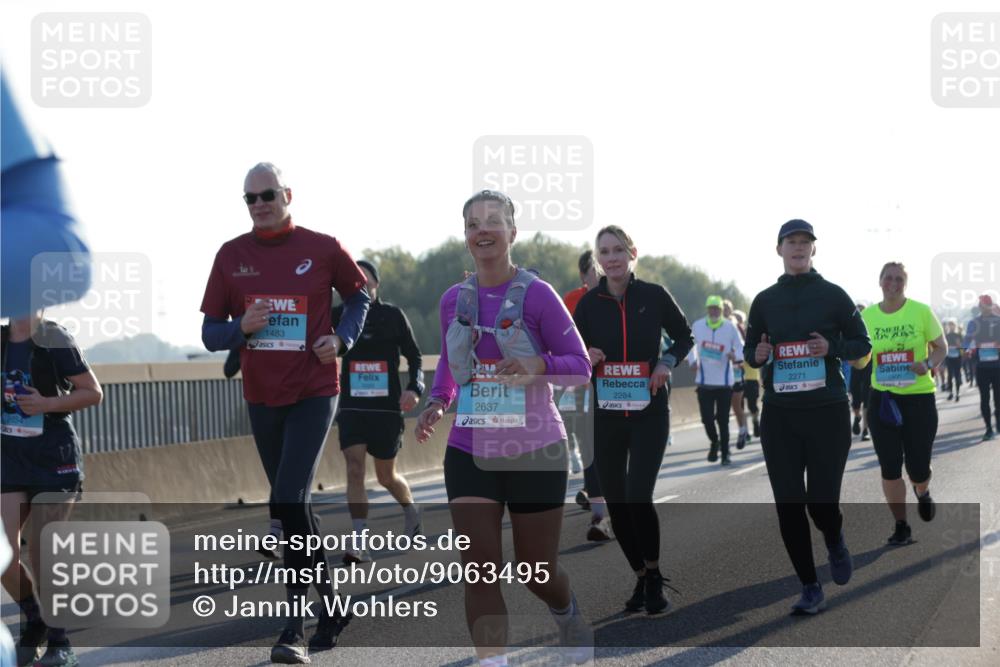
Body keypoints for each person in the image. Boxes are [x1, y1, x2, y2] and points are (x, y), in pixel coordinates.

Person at [414, 190, 594, 666]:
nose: (483, 230)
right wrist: (439, 400)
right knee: (479, 571)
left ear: (513, 232)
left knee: (535, 571)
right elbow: (452, 368)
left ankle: (565, 609)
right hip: (470, 449)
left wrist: (539, 363)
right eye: (473, 223)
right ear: (466, 236)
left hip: (535, 449)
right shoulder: (454, 300)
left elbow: (580, 367)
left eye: (494, 221)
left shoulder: (538, 295)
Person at [200, 162, 368, 662]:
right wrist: (241, 328)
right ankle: (334, 606)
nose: (259, 204)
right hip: (261, 396)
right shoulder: (231, 256)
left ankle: (292, 628)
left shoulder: (322, 247)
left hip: (315, 389)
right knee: (296, 507)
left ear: (287, 195)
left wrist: (341, 338)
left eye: (267, 194)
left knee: (286, 500)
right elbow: (210, 333)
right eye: (249, 198)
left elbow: (360, 297)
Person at [744, 219, 871, 615]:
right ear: (779, 249)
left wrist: (829, 346)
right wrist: (758, 356)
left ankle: (834, 539)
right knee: (788, 503)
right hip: (780, 415)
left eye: (805, 242)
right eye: (791, 242)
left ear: (814, 250)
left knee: (820, 503)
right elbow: (751, 351)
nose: (798, 248)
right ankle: (810, 586)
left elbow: (862, 346)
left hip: (827, 413)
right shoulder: (764, 300)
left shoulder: (833, 295)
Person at [572, 225, 694, 615]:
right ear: (598, 260)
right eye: (604, 252)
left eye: (618, 250)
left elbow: (684, 336)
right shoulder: (589, 305)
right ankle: (640, 575)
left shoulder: (654, 296)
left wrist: (665, 362)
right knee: (617, 504)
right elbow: (569, 354)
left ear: (632, 253)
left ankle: (655, 576)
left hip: (649, 412)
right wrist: (584, 359)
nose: (611, 258)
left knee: (638, 495)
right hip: (606, 416)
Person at [2, 314, 103, 667]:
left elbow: (93, 392)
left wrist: (46, 404)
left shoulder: (53, 336)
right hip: (9, 460)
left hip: (53, 459)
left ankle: (62, 644)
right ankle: (36, 620)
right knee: (4, 556)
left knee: (44, 552)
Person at [334, 259, 425, 563]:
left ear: (377, 284)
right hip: (353, 406)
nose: (362, 286)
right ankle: (359, 540)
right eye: (355, 282)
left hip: (386, 409)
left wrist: (415, 387)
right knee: (355, 468)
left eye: (367, 281)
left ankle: (410, 510)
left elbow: (414, 357)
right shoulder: (340, 316)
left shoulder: (392, 316)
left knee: (387, 476)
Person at [861, 262, 946, 546]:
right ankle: (901, 525)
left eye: (899, 278)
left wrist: (927, 363)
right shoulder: (868, 316)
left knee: (918, 467)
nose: (893, 283)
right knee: (890, 465)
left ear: (905, 283)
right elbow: (860, 356)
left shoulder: (921, 311)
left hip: (919, 399)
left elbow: (941, 347)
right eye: (888, 278)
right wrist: (853, 356)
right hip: (883, 398)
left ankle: (922, 490)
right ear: (880, 281)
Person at [561, 250, 610, 541]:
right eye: (595, 269)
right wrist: (582, 355)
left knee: (615, 452)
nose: (601, 273)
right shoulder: (571, 301)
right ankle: (599, 517)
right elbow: (558, 340)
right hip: (584, 387)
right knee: (590, 449)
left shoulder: (628, 297)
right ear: (584, 275)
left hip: (622, 388)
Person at [687, 296, 744, 465]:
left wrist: (736, 356)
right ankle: (715, 442)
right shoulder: (698, 325)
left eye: (716, 308)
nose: (713, 311)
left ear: (721, 310)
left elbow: (741, 346)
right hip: (704, 381)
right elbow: (691, 344)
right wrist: (692, 361)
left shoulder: (729, 327)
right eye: (711, 308)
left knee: (723, 420)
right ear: (707, 309)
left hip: (724, 383)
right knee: (706, 419)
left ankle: (726, 454)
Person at [965, 295, 1000, 441]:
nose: (983, 307)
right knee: (984, 399)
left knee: (998, 399)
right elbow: (967, 341)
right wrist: (968, 349)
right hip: (982, 367)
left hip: (997, 366)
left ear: (991, 305)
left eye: (986, 304)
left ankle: (998, 424)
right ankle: (988, 428)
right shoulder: (974, 322)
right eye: (981, 305)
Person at [723, 299, 750, 447]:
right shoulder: (713, 326)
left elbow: (743, 346)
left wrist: (737, 357)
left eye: (727, 308)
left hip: (736, 369)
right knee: (723, 406)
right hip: (721, 372)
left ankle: (743, 429)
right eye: (722, 308)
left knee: (736, 404)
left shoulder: (735, 325)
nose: (724, 310)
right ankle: (725, 439)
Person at [732, 310, 760, 440]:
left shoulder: (749, 335)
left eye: (738, 318)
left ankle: (755, 421)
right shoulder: (732, 337)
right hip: (738, 377)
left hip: (752, 375)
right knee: (740, 405)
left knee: (752, 405)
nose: (735, 321)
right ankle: (745, 431)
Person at [849, 303, 873, 442]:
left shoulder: (871, 328)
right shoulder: (851, 330)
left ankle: (865, 430)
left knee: (867, 400)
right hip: (856, 367)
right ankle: (857, 417)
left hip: (870, 367)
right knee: (856, 400)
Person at [943, 319, 964, 402]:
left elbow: (962, 347)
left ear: (955, 326)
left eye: (952, 325)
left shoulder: (958, 335)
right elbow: (943, 346)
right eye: (949, 325)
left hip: (957, 357)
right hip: (949, 357)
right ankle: (951, 393)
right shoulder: (946, 336)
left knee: (957, 375)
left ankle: (957, 393)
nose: (951, 327)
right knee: (949, 376)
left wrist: (959, 347)